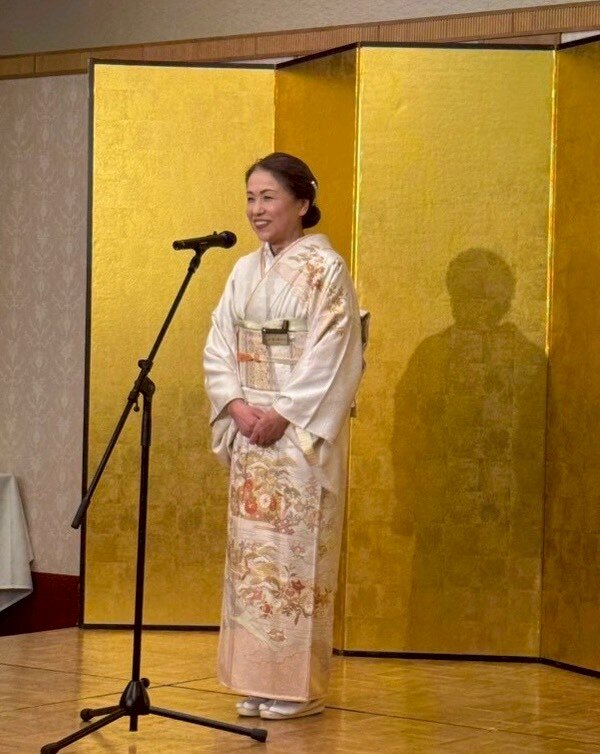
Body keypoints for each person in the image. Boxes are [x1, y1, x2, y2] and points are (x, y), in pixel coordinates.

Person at [204, 152, 364, 721]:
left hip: (297, 440)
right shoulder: (243, 271)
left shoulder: (326, 270)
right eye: (251, 198)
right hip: (251, 432)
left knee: (295, 559)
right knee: (252, 562)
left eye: (268, 197)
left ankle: (299, 688)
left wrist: (284, 414)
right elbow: (219, 344)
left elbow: (335, 352)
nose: (256, 209)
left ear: (302, 202)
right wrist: (236, 405)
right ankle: (255, 679)